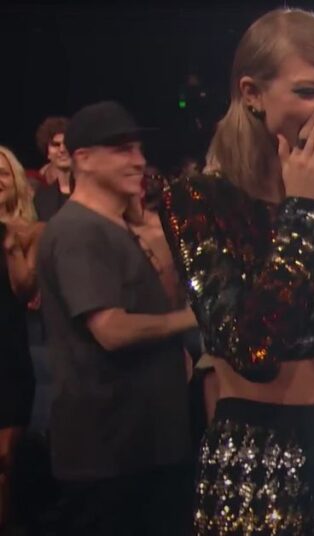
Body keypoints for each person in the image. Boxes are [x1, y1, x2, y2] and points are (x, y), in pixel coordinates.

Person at [159, 9, 314, 533]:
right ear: (252, 93)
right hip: (255, 452)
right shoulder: (198, 199)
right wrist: (303, 210)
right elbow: (251, 349)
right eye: (310, 91)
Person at [35, 101, 196, 535]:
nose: (139, 161)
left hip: (138, 447)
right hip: (110, 453)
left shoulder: (110, 226)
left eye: (139, 149)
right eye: (123, 150)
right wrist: (190, 319)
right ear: (83, 159)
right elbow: (111, 329)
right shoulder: (78, 231)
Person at [0, 147, 41, 532]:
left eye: (4, 173)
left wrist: (11, 243)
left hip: (11, 355)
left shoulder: (32, 231)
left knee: (7, 461)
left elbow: (25, 290)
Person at [32, 117, 74, 221]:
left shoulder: (93, 191)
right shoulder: (40, 197)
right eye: (56, 145)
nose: (62, 149)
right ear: (48, 153)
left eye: (67, 144)